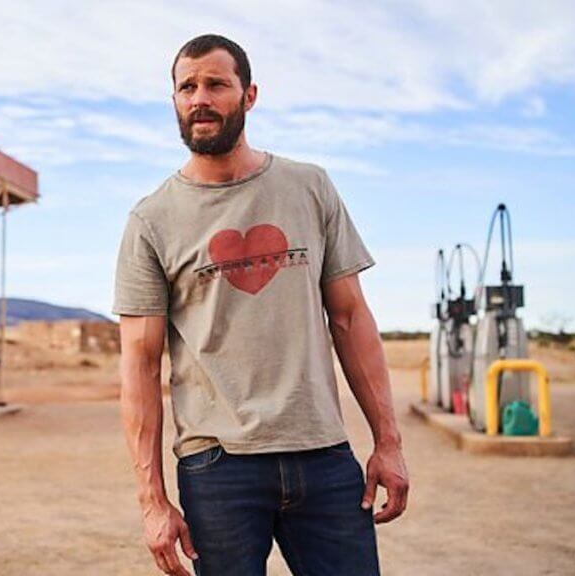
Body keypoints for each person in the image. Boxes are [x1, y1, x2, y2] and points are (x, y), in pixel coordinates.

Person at [114, 34, 409, 576]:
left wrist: (387, 442)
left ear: (249, 95)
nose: (200, 97)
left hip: (323, 453)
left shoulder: (309, 187)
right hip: (216, 468)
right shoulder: (151, 221)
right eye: (187, 87)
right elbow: (138, 363)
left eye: (216, 84)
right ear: (175, 102)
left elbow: (349, 318)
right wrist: (152, 500)